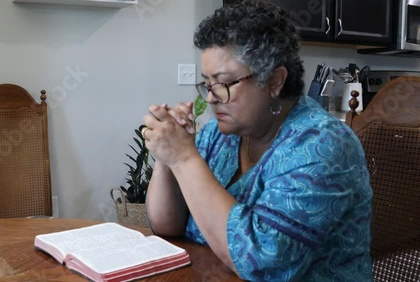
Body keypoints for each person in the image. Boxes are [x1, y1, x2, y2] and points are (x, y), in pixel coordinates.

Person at [142, 0, 373, 280]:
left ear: (274, 81)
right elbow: (168, 226)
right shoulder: (220, 135)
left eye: (224, 83)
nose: (212, 97)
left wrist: (184, 157)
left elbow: (263, 264)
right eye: (207, 83)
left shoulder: (323, 144)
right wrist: (167, 157)